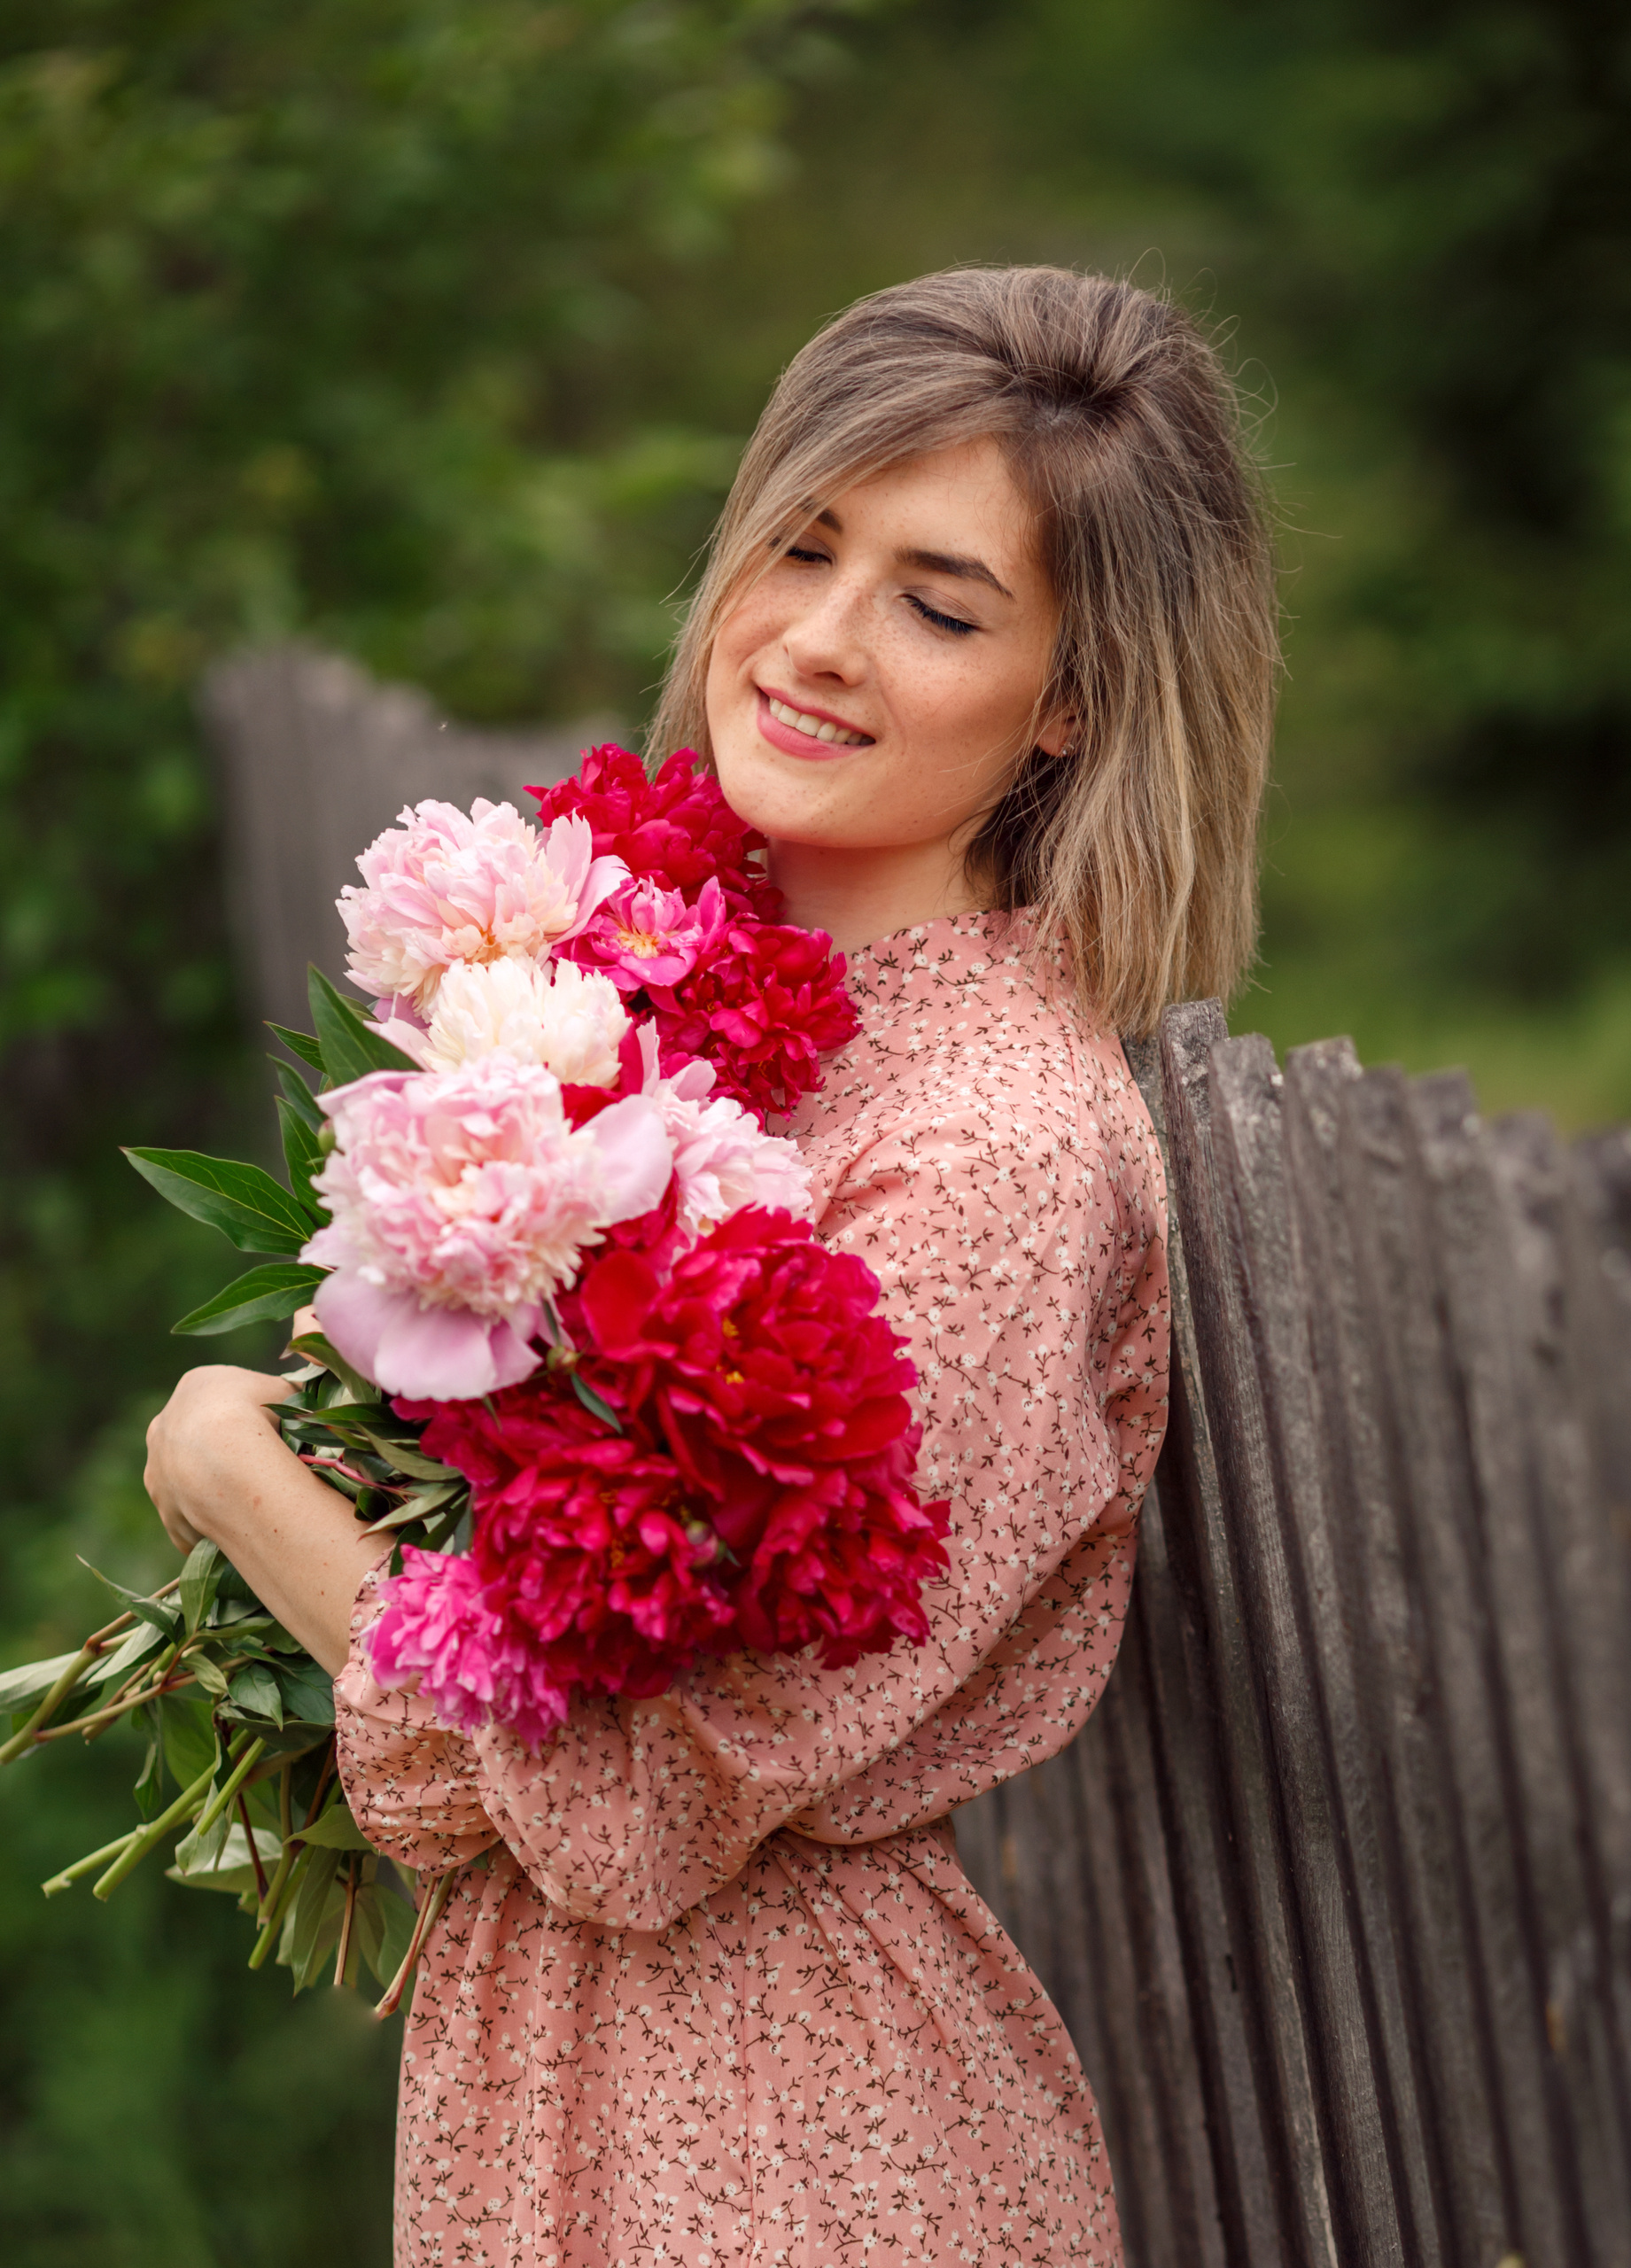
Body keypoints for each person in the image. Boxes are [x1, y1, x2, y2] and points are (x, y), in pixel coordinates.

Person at [143, 264, 1277, 2265]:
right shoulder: (689, 1001)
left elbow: (628, 1802)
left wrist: (246, 1480)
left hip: (781, 2145)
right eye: (804, 544)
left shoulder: (995, 1153)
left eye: (938, 607)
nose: (817, 639)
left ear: (1074, 700)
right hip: (581, 2084)